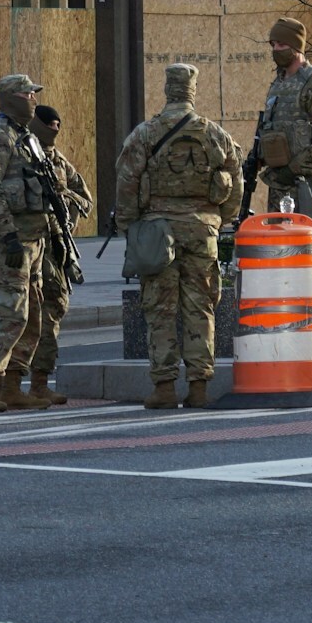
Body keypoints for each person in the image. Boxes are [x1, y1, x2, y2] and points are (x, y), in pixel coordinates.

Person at [115, 63, 244, 409]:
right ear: (192, 90)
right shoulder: (214, 134)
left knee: (160, 309)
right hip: (203, 231)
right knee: (200, 307)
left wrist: (129, 227)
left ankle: (165, 387)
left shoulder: (146, 132)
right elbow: (236, 181)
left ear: (167, 90)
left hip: (158, 232)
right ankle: (199, 386)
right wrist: (220, 219)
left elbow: (127, 181)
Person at [0, 75, 59, 414]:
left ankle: (12, 386)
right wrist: (7, 237)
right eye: (28, 93)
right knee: (11, 315)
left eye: (35, 93)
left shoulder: (26, 137)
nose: (34, 98)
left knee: (33, 314)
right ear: (10, 98)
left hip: (34, 237)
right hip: (11, 240)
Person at [25, 103, 93, 404]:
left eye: (58, 125)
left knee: (53, 310)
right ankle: (6, 381)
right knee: (21, 314)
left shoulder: (56, 158)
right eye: (50, 124)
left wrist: (64, 201)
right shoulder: (22, 152)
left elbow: (85, 199)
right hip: (28, 244)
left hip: (56, 248)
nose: (55, 130)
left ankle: (39, 382)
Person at [253, 17, 312, 224]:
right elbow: (272, 130)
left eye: (282, 44)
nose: (276, 49)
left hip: (306, 189)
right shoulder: (279, 83)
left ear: (297, 47)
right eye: (273, 45)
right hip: (279, 190)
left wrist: (293, 170)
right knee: (277, 250)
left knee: (301, 251)